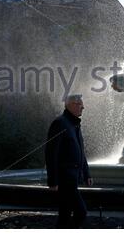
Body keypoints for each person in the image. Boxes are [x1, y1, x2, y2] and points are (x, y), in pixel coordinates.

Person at [45, 94, 93, 228]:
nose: (83, 107)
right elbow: (51, 154)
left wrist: (87, 173)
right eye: (80, 105)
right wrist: (53, 180)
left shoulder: (75, 125)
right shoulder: (60, 123)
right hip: (65, 180)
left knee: (64, 215)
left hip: (73, 178)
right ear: (71, 105)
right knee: (81, 212)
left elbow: (81, 153)